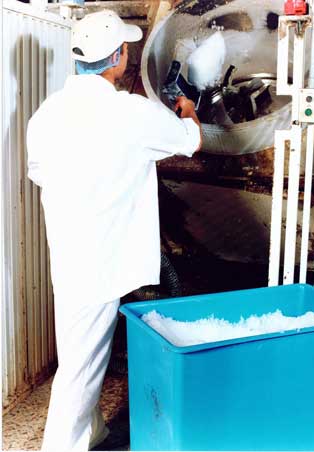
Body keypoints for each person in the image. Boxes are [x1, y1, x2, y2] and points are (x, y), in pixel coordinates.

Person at [26, 9, 202, 452]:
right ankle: (61, 446)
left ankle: (92, 432)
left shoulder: (47, 112)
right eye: (125, 48)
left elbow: (40, 173)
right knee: (82, 367)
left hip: (66, 253)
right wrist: (187, 111)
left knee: (78, 351)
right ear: (118, 58)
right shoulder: (130, 112)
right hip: (102, 258)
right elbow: (190, 140)